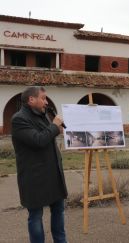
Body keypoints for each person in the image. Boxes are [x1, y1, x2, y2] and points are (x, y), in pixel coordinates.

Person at [11, 86, 68, 243]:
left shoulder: (43, 115)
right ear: (31, 99)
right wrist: (54, 126)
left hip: (53, 174)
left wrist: (53, 126)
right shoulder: (19, 119)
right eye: (43, 98)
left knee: (58, 211)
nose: (46, 101)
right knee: (35, 216)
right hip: (34, 177)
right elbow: (38, 140)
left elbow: (47, 138)